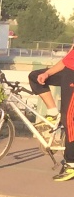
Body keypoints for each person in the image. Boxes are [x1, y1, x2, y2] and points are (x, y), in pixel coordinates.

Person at [29, 44, 74, 181]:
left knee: (69, 120)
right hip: (68, 71)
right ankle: (53, 113)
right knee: (35, 76)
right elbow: (67, 59)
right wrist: (47, 73)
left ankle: (71, 164)